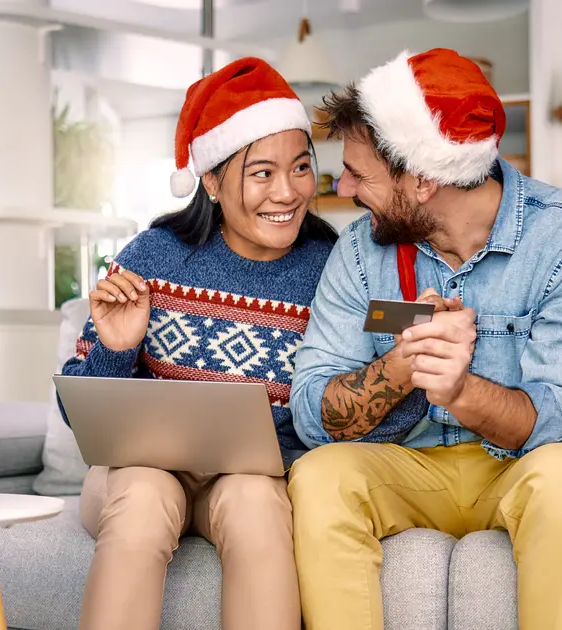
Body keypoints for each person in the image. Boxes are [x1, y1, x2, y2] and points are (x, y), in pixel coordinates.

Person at [286, 48, 562, 630]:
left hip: (521, 468)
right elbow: (311, 415)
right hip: (409, 468)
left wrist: (462, 389)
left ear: (422, 179)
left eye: (360, 174)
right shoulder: (358, 252)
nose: (343, 187)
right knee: (320, 476)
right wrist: (399, 368)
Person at [57, 57, 338, 630]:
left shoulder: (332, 269)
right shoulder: (153, 255)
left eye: (301, 167)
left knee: (257, 502)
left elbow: (344, 403)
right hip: (133, 475)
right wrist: (116, 347)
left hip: (249, 481)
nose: (287, 192)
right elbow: (75, 409)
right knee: (143, 494)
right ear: (210, 180)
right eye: (261, 173)